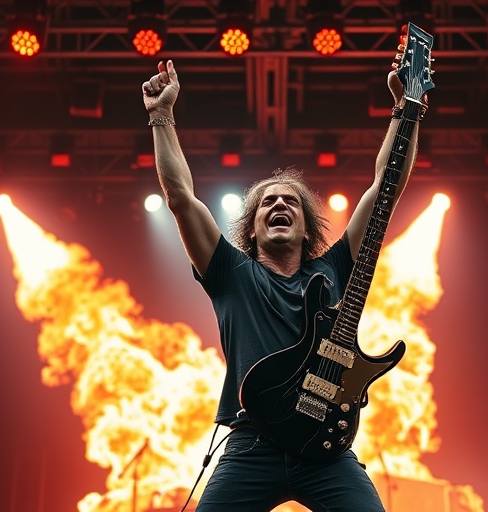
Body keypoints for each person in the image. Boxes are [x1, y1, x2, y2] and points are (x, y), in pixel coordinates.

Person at [142, 54, 425, 511]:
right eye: (267, 202)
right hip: (252, 442)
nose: (280, 204)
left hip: (326, 450)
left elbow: (386, 189)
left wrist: (407, 107)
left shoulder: (334, 270)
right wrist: (161, 116)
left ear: (306, 225)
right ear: (251, 228)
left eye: (290, 201)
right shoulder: (231, 274)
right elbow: (180, 197)